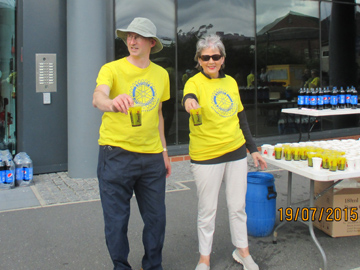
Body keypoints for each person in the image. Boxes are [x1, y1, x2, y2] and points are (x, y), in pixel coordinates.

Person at [92, 17, 171, 270]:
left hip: (151, 157)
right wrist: (112, 103)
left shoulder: (161, 74)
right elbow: (98, 97)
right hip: (116, 154)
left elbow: (158, 114)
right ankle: (120, 266)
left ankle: (153, 265)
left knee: (157, 218)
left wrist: (165, 152)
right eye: (129, 36)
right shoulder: (111, 69)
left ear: (151, 42)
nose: (132, 40)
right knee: (116, 221)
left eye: (138, 36)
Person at [183, 34, 267, 270]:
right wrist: (190, 103)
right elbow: (189, 98)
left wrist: (253, 150)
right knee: (207, 211)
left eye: (215, 56)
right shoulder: (194, 82)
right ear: (199, 60)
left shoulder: (230, 82)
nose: (211, 61)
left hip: (236, 152)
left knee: (238, 207)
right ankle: (204, 259)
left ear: (222, 59)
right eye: (205, 57)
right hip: (206, 156)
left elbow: (241, 117)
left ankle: (243, 252)